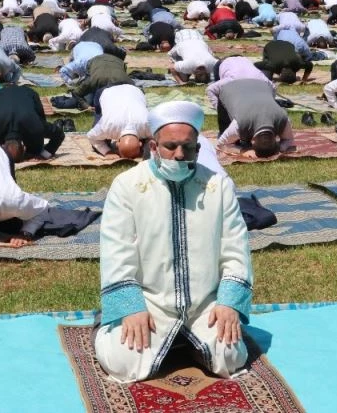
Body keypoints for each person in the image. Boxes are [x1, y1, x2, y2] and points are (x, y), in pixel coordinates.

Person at [94, 101, 252, 383]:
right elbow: (117, 251)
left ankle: (187, 341)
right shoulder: (127, 185)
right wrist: (131, 307)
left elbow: (236, 248)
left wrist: (228, 303)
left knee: (231, 357)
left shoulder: (217, 186)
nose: (179, 154)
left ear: (197, 149)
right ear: (153, 146)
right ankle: (105, 322)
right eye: (170, 146)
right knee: (123, 362)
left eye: (187, 147)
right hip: (149, 301)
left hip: (205, 304)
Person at [0, 85, 64, 162]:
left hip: (24, 94)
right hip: (5, 95)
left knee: (36, 147)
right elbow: (59, 134)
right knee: (36, 148)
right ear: (23, 147)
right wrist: (44, 154)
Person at [215, 78, 295, 158]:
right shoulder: (239, 124)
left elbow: (289, 140)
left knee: (237, 140)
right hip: (229, 88)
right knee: (233, 140)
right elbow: (220, 144)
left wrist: (280, 148)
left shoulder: (282, 118)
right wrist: (243, 150)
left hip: (261, 85)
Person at [86, 84, 150, 158]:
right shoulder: (107, 127)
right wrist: (107, 152)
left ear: (117, 144)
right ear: (140, 143)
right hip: (106, 90)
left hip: (135, 90)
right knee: (97, 143)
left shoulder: (148, 125)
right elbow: (91, 136)